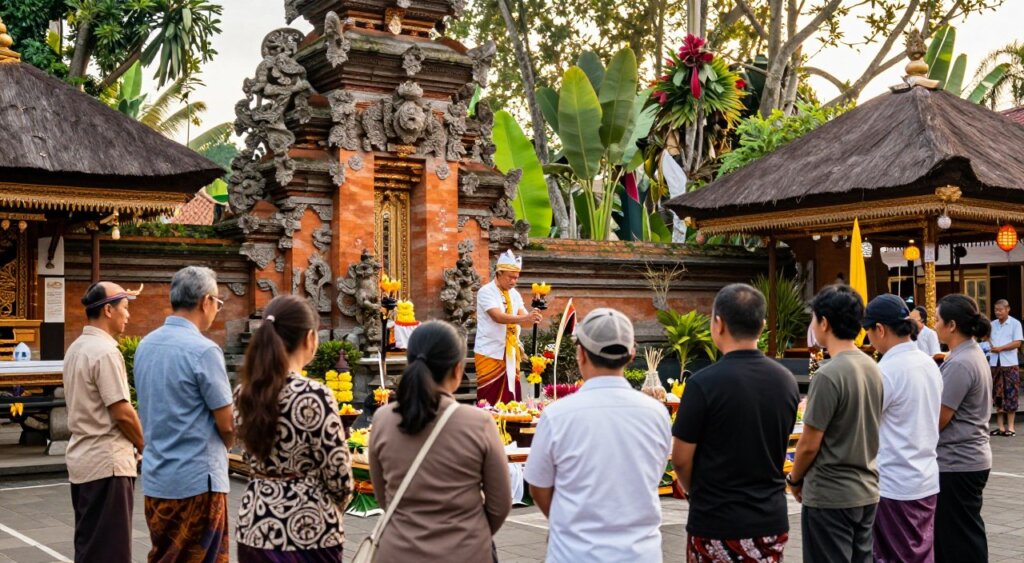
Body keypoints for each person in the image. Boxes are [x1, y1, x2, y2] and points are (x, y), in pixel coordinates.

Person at [525, 308, 671, 562]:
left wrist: (565, 524)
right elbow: (653, 473)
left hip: (575, 553)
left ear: (580, 353)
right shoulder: (656, 413)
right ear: (632, 354)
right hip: (640, 554)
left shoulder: (557, 415)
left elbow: (539, 487)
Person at [672, 284, 799, 562]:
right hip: (769, 521)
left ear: (718, 324)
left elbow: (680, 459)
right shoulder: (786, 381)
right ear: (763, 325)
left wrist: (696, 491)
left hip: (716, 520)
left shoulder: (702, 384)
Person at [370, 320, 511, 562]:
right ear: (458, 369)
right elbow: (500, 504)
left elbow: (384, 497)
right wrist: (469, 531)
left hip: (398, 551)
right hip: (466, 552)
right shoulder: (479, 423)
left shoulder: (383, 419)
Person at [235, 295, 353, 560]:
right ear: (309, 338)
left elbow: (247, 455)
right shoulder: (315, 395)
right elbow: (339, 475)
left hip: (255, 522)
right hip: (309, 528)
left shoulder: (243, 392)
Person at [134, 266, 234, 562]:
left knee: (164, 555)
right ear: (206, 301)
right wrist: (230, 442)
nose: (217, 309)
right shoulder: (204, 351)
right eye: (217, 302)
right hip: (197, 481)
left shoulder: (145, 345)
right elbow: (226, 422)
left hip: (157, 478)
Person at [786, 284, 883, 563]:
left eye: (813, 318)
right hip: (866, 489)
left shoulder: (829, 375)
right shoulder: (872, 367)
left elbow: (808, 444)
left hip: (831, 494)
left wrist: (794, 479)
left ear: (824, 322)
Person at [62, 282, 144, 563]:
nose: (128, 316)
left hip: (83, 459)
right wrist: (144, 442)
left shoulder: (76, 348)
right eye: (125, 308)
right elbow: (121, 411)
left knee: (89, 547)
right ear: (108, 310)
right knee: (111, 552)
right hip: (107, 463)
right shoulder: (106, 352)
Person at [862, 295, 942, 563]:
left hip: (894, 482)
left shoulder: (886, 370)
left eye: (869, 331)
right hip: (926, 476)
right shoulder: (929, 363)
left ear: (880, 329)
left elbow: (866, 424)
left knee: (893, 556)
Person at [933, 294, 992, 563]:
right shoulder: (969, 354)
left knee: (957, 538)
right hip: (970, 458)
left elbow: (939, 419)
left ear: (952, 325)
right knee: (963, 532)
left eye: (937, 320)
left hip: (958, 461)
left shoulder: (960, 363)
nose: (934, 325)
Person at [474, 249, 543, 404]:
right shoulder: (486, 292)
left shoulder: (515, 294)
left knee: (511, 396)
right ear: (499, 273)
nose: (513, 281)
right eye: (510, 277)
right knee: (489, 396)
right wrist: (526, 317)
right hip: (490, 351)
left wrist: (534, 316)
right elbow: (497, 317)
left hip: (511, 351)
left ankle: (511, 425)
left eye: (516, 278)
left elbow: (524, 318)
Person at [988, 299, 1022, 436]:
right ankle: (1001, 427)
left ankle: (1011, 427)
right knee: (997, 394)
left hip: (1010, 364)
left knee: (1011, 394)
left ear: (1008, 309)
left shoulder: (1015, 324)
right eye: (996, 310)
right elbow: (987, 339)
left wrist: (1001, 349)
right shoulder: (992, 324)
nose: (998, 312)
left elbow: (1017, 343)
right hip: (995, 364)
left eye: (1000, 310)